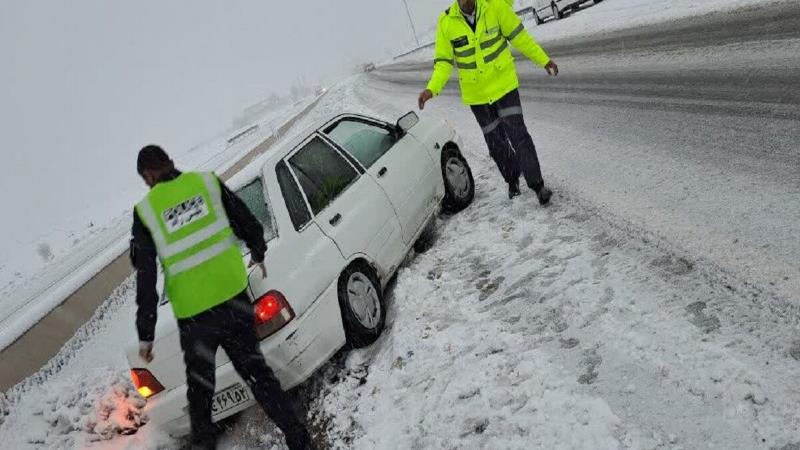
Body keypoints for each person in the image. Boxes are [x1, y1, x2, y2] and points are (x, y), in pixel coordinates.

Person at [129, 145, 313, 450]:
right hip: (233, 301)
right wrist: (258, 251)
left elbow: (146, 278)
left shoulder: (146, 212)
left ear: (148, 175)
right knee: (258, 375)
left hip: (196, 317)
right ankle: (298, 438)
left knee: (200, 396)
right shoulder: (206, 183)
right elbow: (246, 221)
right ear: (170, 162)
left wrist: (146, 335)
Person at [418, 0, 558, 204]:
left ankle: (538, 186)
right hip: (478, 97)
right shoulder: (446, 22)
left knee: (519, 135)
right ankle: (512, 179)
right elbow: (443, 63)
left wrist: (544, 60)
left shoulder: (496, 7)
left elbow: (521, 38)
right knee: (496, 144)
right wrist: (432, 89)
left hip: (504, 86)